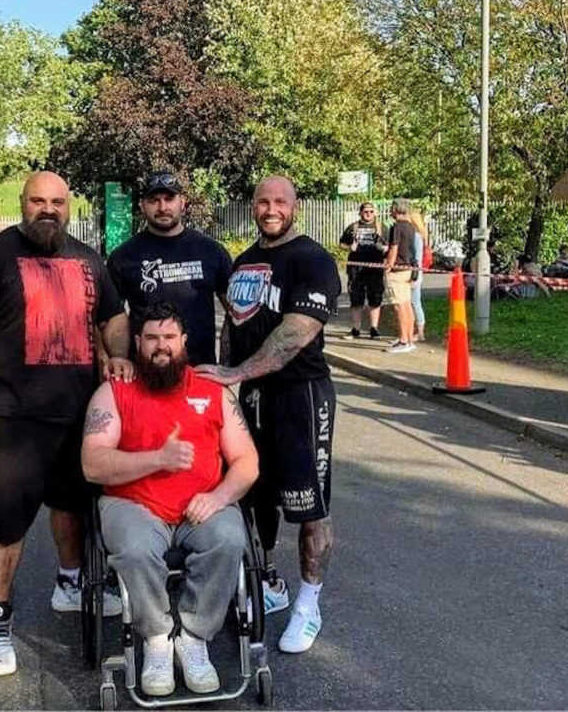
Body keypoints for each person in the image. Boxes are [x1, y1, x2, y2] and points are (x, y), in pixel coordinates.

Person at [0, 171, 134, 678]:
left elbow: (114, 316)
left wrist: (117, 355)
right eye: (37, 200)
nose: (47, 209)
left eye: (57, 201)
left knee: (72, 508)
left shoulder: (88, 260)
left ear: (68, 207)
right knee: (7, 524)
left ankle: (70, 581)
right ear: (22, 203)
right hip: (11, 418)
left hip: (77, 415)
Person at [195, 175, 342, 656]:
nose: (271, 208)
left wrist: (236, 373)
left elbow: (294, 335)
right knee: (254, 495)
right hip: (251, 396)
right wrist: (226, 378)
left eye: (280, 201)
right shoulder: (243, 262)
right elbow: (233, 328)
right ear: (253, 206)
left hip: (300, 396)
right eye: (263, 201)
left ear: (295, 207)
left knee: (308, 505)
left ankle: (309, 602)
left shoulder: (312, 260)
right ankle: (271, 581)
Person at [81, 302, 258, 696]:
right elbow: (93, 464)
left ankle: (194, 637)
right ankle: (157, 639)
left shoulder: (213, 391)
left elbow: (247, 462)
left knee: (229, 538)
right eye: (152, 339)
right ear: (138, 344)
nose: (161, 347)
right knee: (135, 548)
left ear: (184, 342)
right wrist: (158, 459)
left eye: (169, 338)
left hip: (203, 503)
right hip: (133, 504)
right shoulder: (114, 392)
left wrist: (219, 497)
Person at [107, 172, 232, 366]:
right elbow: (108, 318)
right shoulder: (123, 257)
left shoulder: (211, 251)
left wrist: (227, 364)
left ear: (182, 202)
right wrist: (118, 359)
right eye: (154, 200)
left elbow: (235, 313)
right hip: (144, 374)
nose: (162, 207)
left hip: (200, 372)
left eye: (169, 199)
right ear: (142, 206)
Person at [338, 201, 387, 338]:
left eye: (371, 211)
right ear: (360, 213)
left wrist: (384, 249)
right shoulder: (353, 227)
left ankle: (374, 329)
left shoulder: (381, 227)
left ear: (375, 213)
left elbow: (390, 245)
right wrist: (349, 247)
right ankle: (355, 329)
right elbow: (342, 243)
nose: (368, 214)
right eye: (366, 211)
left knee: (375, 298)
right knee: (356, 299)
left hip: (375, 267)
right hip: (356, 268)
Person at [383, 199, 417, 353]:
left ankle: (404, 340)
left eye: (392, 208)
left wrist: (388, 266)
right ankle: (409, 337)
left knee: (398, 306)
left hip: (397, 270)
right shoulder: (410, 226)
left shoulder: (396, 227)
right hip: (408, 268)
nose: (390, 210)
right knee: (407, 304)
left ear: (396, 210)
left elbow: (393, 248)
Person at [407, 208, 429, 342]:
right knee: (414, 302)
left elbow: (416, 258)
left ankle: (419, 332)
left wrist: (413, 275)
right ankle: (417, 331)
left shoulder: (415, 237)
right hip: (416, 272)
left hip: (414, 273)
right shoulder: (419, 236)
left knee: (414, 302)